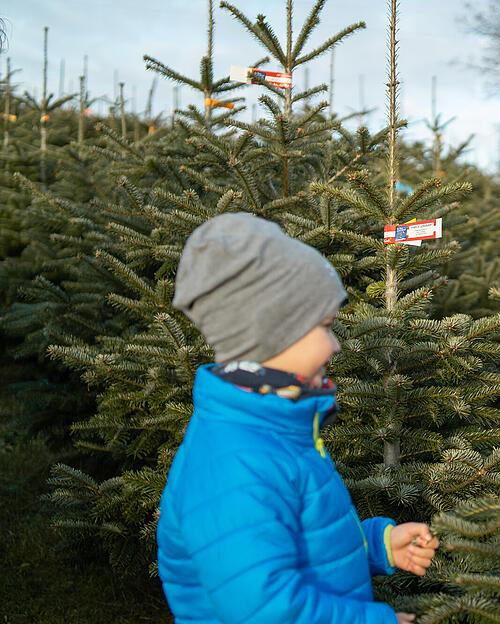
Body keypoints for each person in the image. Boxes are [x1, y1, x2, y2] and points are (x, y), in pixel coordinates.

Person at [157, 213, 439, 623]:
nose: (335, 345)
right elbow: (265, 610)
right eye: (324, 327)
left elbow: (299, 540)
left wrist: (378, 547)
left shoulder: (273, 428)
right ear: (272, 333)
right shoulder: (234, 463)